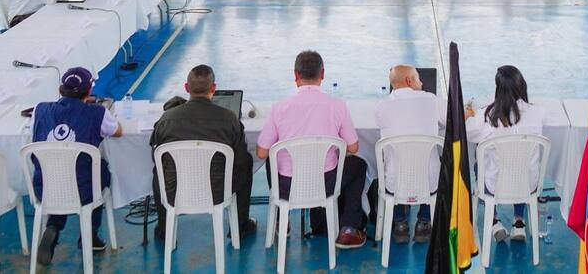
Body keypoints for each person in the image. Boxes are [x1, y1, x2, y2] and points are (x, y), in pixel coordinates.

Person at [255, 51, 368, 247]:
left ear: (295, 75)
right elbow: (353, 146)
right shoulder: (337, 106)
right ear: (322, 74)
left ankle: (283, 218)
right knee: (358, 165)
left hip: (287, 187)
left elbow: (261, 152)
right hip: (325, 184)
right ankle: (349, 228)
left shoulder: (279, 107)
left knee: (272, 158)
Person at [150, 64, 256, 241]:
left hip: (175, 189)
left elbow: (155, 157)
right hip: (218, 191)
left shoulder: (166, 119)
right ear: (213, 88)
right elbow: (240, 160)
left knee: (158, 170)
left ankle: (164, 229)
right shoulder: (229, 118)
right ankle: (240, 225)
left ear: (186, 88)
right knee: (246, 162)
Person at [31, 68, 123, 266]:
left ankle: (53, 227)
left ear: (59, 90)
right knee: (100, 174)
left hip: (44, 187)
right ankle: (89, 237)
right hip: (83, 189)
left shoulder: (40, 110)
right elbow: (117, 131)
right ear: (89, 92)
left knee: (59, 175)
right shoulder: (97, 112)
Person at [464, 65, 546, 244]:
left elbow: (467, 133)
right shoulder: (537, 112)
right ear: (522, 85)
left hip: (495, 186)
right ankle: (519, 222)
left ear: (498, 89)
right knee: (521, 167)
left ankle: (494, 222)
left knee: (480, 164)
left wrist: (470, 115)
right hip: (528, 185)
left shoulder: (487, 116)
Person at [373, 64, 443, 243]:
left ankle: (399, 223)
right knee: (439, 166)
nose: (421, 83)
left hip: (395, 182)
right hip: (429, 181)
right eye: (418, 78)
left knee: (392, 164)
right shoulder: (431, 100)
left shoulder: (381, 106)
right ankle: (424, 222)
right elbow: (448, 118)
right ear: (409, 80)